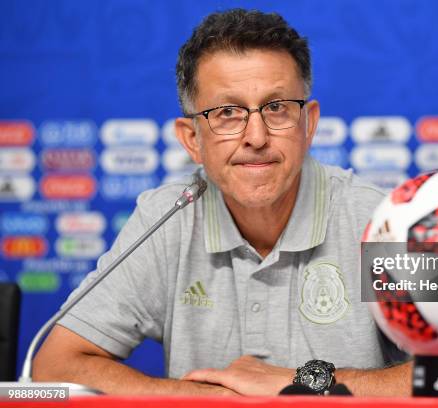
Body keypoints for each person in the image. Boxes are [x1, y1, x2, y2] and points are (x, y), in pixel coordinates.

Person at [32, 8, 412, 396]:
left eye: (277, 107)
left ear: (308, 123)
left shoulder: (385, 221)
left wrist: (297, 384)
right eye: (228, 113)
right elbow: (54, 365)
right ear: (192, 139)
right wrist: (211, 400)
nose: (256, 136)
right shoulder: (167, 217)